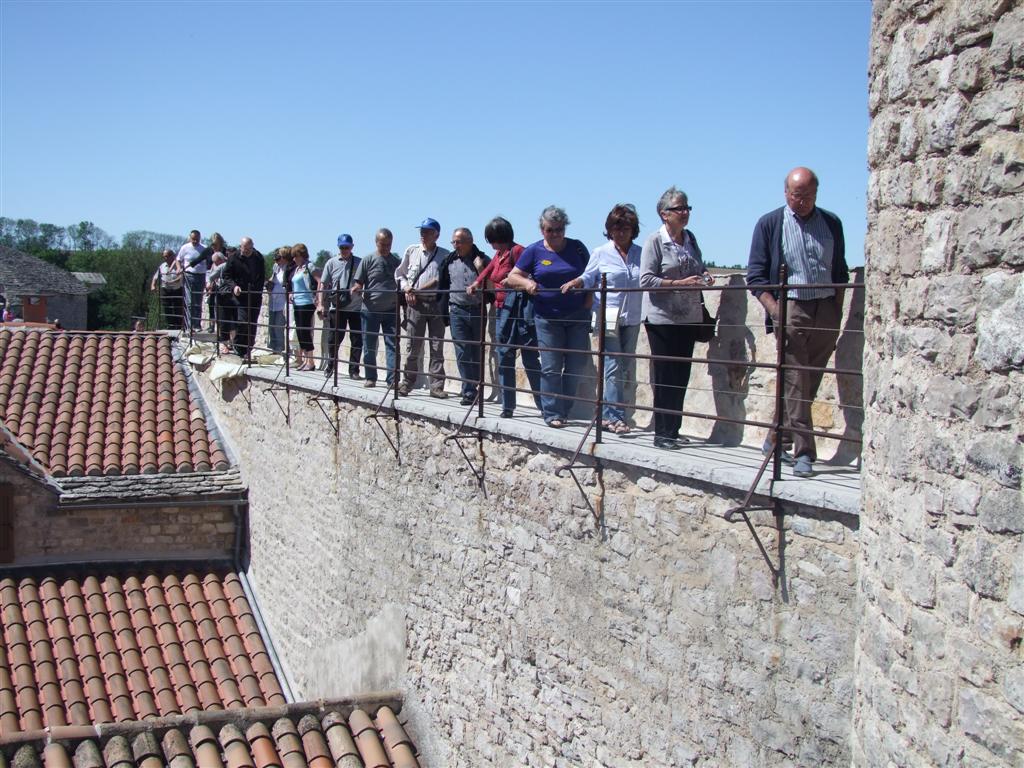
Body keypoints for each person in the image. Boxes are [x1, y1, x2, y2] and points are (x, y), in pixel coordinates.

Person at [747, 166, 849, 478]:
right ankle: (804, 453)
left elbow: (840, 270)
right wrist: (776, 311)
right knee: (795, 380)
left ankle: (776, 438)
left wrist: (836, 310)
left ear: (816, 194)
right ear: (785, 193)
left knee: (808, 381)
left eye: (806, 196)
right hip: (791, 307)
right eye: (795, 195)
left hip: (825, 308)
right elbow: (756, 276)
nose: (800, 201)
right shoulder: (770, 224)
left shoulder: (831, 223)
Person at [640, 187, 714, 450]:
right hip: (662, 319)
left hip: (689, 317)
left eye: (686, 208)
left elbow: (698, 266)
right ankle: (662, 433)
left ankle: (673, 430)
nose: (684, 213)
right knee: (665, 376)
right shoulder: (655, 241)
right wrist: (678, 283)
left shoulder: (690, 239)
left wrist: (705, 275)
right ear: (664, 214)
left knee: (681, 375)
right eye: (679, 208)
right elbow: (645, 280)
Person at [504, 206, 590, 428]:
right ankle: (552, 413)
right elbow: (512, 277)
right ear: (542, 230)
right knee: (551, 366)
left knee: (576, 365)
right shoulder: (534, 251)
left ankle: (564, 409)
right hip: (547, 317)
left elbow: (591, 274)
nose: (555, 234)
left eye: (559, 229)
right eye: (550, 230)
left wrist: (588, 302)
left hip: (577, 315)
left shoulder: (577, 248)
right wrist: (527, 283)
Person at [561, 204, 643, 434]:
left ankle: (607, 414)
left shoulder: (641, 253)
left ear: (633, 230)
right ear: (609, 230)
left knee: (624, 366)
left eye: (625, 228)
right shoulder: (601, 252)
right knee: (612, 364)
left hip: (633, 316)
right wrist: (576, 282)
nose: (621, 233)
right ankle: (616, 417)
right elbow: (588, 276)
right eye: (616, 228)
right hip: (608, 314)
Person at [469, 217, 542, 418]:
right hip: (502, 309)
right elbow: (489, 270)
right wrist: (476, 283)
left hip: (520, 310)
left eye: (493, 239)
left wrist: (511, 282)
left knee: (529, 357)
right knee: (504, 356)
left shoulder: (517, 251)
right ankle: (507, 406)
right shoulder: (499, 254)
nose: (491, 244)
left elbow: (528, 276)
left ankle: (544, 406)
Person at [395, 218, 450, 398]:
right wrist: (406, 289)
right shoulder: (411, 251)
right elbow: (400, 274)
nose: (423, 235)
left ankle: (436, 386)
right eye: (422, 231)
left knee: (437, 347)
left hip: (436, 304)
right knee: (413, 346)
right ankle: (407, 383)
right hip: (415, 304)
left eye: (427, 232)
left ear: (436, 235)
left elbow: (443, 280)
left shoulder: (445, 255)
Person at [439, 228, 490, 405]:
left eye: (459, 242)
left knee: (476, 350)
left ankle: (476, 386)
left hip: (477, 309)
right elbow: (442, 284)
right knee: (462, 351)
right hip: (457, 310)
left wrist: (481, 268)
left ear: (470, 241)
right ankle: (468, 391)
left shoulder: (482, 259)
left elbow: (492, 283)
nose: (456, 245)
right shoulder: (449, 261)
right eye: (453, 242)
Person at [352, 228, 400, 388]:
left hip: (391, 310)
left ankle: (392, 380)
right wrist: (357, 288)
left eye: (388, 244)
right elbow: (359, 281)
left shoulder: (396, 262)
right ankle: (370, 377)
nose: (386, 247)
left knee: (393, 345)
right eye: (383, 244)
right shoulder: (368, 260)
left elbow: (402, 281)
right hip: (370, 310)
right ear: (376, 243)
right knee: (369, 346)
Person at [318, 234, 363, 379]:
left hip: (356, 307)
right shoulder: (331, 263)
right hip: (337, 307)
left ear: (352, 247)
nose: (344, 250)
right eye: (342, 247)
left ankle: (354, 370)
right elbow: (323, 284)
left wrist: (359, 288)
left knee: (357, 340)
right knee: (334, 339)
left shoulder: (360, 262)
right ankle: (331, 366)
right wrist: (320, 304)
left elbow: (365, 282)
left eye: (347, 247)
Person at [221, 236, 266, 358]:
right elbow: (226, 275)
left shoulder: (258, 257)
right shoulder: (233, 258)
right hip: (240, 295)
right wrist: (234, 286)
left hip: (255, 295)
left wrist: (259, 289)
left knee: (252, 323)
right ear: (240, 247)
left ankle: (248, 350)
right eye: (245, 249)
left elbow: (262, 275)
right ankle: (239, 346)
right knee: (243, 322)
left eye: (250, 249)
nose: (247, 251)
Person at [289, 244, 319, 371]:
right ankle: (306, 360)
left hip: (307, 302)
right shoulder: (297, 269)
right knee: (300, 332)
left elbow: (319, 280)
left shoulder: (309, 266)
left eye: (295, 256)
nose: (294, 259)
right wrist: (292, 294)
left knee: (305, 332)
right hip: (297, 303)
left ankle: (310, 361)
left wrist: (318, 297)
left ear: (301, 255)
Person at [176, 229, 207, 332]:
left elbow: (209, 262)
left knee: (198, 301)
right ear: (190, 238)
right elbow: (178, 259)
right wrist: (179, 268)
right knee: (190, 302)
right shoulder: (185, 248)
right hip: (189, 275)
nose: (195, 241)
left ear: (200, 238)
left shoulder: (204, 248)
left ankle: (197, 325)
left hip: (201, 276)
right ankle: (190, 325)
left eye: (197, 239)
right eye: (193, 239)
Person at [150, 248, 184, 330]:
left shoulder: (178, 265)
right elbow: (155, 276)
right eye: (164, 256)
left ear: (172, 256)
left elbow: (181, 276)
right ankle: (170, 325)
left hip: (177, 289)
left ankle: (178, 326)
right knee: (167, 308)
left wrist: (172, 282)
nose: (166, 258)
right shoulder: (162, 266)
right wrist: (153, 285)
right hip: (165, 289)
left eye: (167, 256)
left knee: (177, 308)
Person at [266, 247, 289, 353]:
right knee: (271, 326)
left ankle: (280, 348)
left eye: (278, 258)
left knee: (278, 326)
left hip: (282, 302)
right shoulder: (276, 267)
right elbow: (273, 279)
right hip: (273, 301)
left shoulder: (287, 268)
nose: (276, 261)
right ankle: (273, 347)